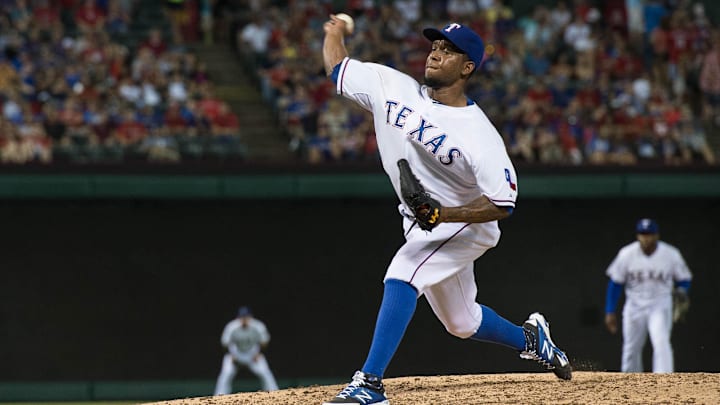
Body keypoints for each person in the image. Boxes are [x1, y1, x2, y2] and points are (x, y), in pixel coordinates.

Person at [320, 16, 572, 405]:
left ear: (467, 67)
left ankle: (370, 383)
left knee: (403, 272)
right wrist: (334, 32)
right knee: (462, 322)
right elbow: (339, 69)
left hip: (465, 223)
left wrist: (445, 216)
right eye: (435, 46)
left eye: (449, 51)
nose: (436, 54)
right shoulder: (391, 86)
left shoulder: (479, 134)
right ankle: (532, 340)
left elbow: (503, 203)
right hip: (424, 221)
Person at [604, 218, 693, 373]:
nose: (646, 237)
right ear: (638, 236)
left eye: (649, 234)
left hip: (660, 304)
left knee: (661, 342)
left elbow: (684, 279)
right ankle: (629, 383)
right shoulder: (627, 254)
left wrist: (682, 291)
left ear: (656, 235)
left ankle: (664, 381)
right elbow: (615, 284)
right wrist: (610, 311)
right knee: (631, 347)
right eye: (643, 233)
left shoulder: (670, 254)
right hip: (634, 306)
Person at [213, 306, 279, 395]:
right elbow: (225, 343)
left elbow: (264, 341)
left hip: (252, 353)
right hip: (236, 353)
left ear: (251, 317)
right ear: (238, 318)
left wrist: (259, 353)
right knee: (226, 374)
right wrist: (231, 354)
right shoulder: (232, 326)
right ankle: (219, 397)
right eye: (242, 317)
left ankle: (275, 394)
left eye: (246, 316)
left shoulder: (258, 326)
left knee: (265, 372)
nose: (244, 319)